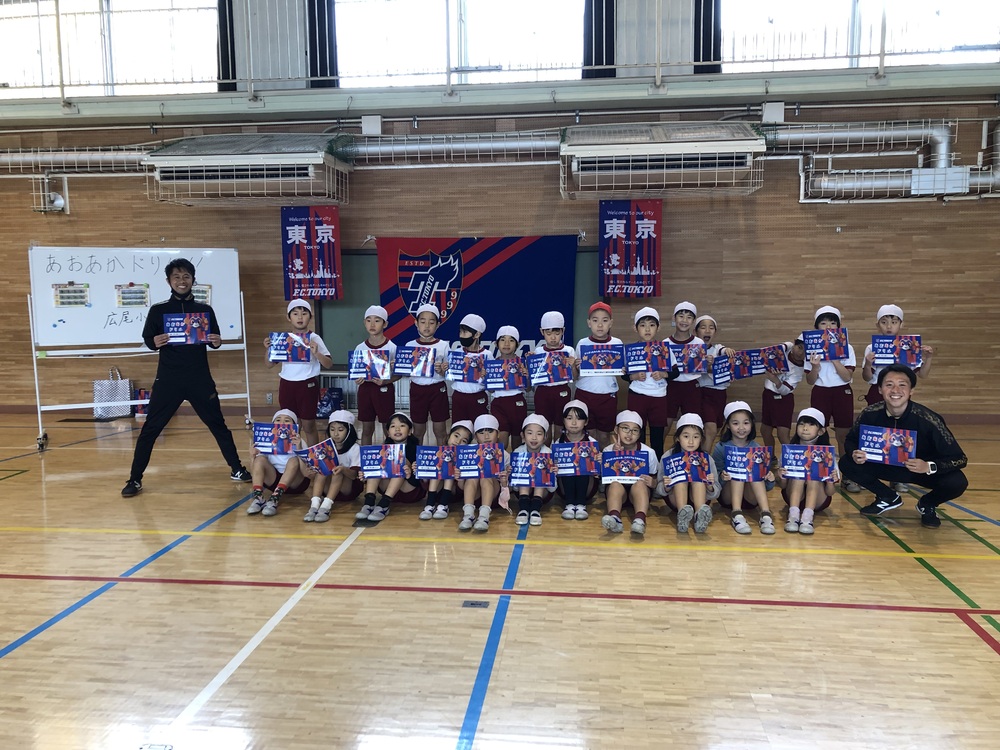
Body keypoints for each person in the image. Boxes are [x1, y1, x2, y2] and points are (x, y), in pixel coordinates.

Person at [121, 258, 250, 497]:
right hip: (168, 379)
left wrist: (217, 341)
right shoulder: (158, 310)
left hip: (199, 379)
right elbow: (148, 339)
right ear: (168, 281)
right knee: (151, 429)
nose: (182, 281)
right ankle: (134, 479)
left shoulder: (205, 310)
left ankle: (237, 468)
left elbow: (215, 339)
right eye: (177, 277)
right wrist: (154, 342)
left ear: (193, 279)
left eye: (186, 276)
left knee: (218, 425)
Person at [841, 365, 969, 528]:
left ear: (911, 391)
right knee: (846, 463)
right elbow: (850, 440)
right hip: (884, 466)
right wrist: (854, 453)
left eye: (902, 385)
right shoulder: (869, 413)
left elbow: (960, 458)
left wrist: (928, 466)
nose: (895, 390)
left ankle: (927, 504)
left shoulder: (929, 420)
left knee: (957, 482)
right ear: (880, 389)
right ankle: (888, 497)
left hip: (918, 471)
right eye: (889, 385)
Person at [804, 305, 859, 491]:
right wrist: (815, 367)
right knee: (817, 433)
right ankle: (818, 473)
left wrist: (834, 357)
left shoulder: (847, 348)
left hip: (842, 392)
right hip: (820, 392)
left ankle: (848, 476)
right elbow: (810, 381)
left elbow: (847, 377)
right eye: (823, 323)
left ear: (839, 327)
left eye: (833, 323)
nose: (828, 327)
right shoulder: (811, 348)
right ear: (817, 327)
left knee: (844, 435)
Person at [266, 299, 333, 449]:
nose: (300, 317)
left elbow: (328, 363)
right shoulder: (283, 339)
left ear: (310, 317)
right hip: (286, 384)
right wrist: (268, 349)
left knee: (309, 424)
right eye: (295, 314)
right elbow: (269, 364)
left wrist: (317, 353)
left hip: (307, 384)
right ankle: (291, 457)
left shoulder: (314, 338)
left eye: (304, 313)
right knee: (289, 423)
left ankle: (312, 457)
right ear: (289, 317)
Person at [712, 401, 776, 535]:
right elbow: (714, 481)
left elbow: (767, 487)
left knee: (755, 473)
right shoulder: (721, 447)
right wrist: (722, 477)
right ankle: (736, 515)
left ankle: (766, 515)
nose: (741, 427)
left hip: (750, 499)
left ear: (752, 424)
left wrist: (770, 479)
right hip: (728, 497)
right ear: (728, 425)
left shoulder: (757, 448)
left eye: (746, 423)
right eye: (736, 423)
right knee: (738, 471)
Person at [601, 410, 660, 536]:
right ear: (616, 430)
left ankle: (640, 520)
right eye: (625, 428)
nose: (629, 433)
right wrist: (612, 456)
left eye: (635, 430)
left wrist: (653, 483)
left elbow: (655, 478)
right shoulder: (608, 450)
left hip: (639, 493)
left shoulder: (648, 452)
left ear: (639, 434)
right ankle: (615, 517)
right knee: (615, 484)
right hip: (617, 493)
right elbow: (603, 478)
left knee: (640, 484)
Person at [861, 304, 935, 405]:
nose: (889, 326)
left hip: (901, 391)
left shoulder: (910, 346)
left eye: (894, 322)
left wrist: (929, 357)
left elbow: (922, 374)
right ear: (877, 325)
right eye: (884, 322)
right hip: (878, 391)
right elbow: (867, 378)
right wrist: (868, 364)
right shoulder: (871, 348)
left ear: (901, 324)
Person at [658, 413, 720, 534]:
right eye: (686, 436)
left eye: (696, 437)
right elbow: (658, 490)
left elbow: (716, 492)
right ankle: (682, 516)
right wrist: (665, 486)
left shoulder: (706, 458)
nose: (691, 441)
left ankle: (699, 516)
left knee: (698, 479)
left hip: (701, 499)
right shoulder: (668, 456)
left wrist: (710, 486)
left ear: (701, 439)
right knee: (680, 479)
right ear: (678, 438)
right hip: (675, 500)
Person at [356, 411, 422, 523]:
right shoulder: (382, 449)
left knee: (399, 463)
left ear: (410, 431)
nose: (397, 429)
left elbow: (422, 477)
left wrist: (410, 470)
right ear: (388, 433)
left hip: (409, 490)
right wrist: (365, 474)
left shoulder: (417, 449)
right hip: (387, 488)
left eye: (402, 426)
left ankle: (384, 505)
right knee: (377, 463)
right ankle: (369, 503)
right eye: (393, 426)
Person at [573, 301, 623, 446]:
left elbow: (622, 371)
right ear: (589, 323)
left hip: (608, 395)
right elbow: (575, 375)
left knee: (604, 436)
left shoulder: (617, 343)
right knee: (588, 435)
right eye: (595, 321)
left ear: (611, 323)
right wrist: (575, 366)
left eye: (604, 321)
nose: (600, 325)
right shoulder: (582, 343)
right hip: (584, 394)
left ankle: (603, 460)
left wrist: (624, 370)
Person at [780, 408, 837, 535]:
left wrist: (830, 481)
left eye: (811, 424)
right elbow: (783, 486)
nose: (805, 428)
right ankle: (793, 516)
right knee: (800, 475)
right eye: (801, 424)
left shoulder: (827, 454)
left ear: (821, 431)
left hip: (819, 501)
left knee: (812, 474)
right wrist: (782, 476)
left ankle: (807, 519)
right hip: (793, 498)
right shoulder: (790, 451)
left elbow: (830, 492)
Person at [247, 409, 310, 517]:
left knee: (293, 460)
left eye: (287, 420)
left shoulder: (300, 441)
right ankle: (259, 498)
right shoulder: (267, 440)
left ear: (294, 425)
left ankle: (274, 498)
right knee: (260, 459)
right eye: (278, 420)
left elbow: (306, 473)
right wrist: (252, 457)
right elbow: (255, 471)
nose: (282, 423)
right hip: (273, 481)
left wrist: (299, 449)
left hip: (296, 483)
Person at [303, 409, 362, 523]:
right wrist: (312, 470)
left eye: (340, 430)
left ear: (349, 430)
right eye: (332, 429)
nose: (335, 434)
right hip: (327, 488)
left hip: (348, 490)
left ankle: (325, 507)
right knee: (322, 471)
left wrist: (343, 469)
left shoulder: (355, 448)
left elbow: (354, 475)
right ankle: (314, 506)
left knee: (337, 472)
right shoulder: (324, 448)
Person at [625, 307, 670, 455]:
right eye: (643, 325)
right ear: (635, 328)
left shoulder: (664, 349)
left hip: (659, 397)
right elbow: (623, 374)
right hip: (637, 395)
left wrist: (664, 374)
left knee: (657, 435)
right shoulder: (630, 350)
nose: (647, 329)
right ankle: (640, 463)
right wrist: (634, 376)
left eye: (652, 325)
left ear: (658, 327)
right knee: (638, 433)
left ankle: (656, 466)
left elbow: (674, 372)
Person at [352, 304, 399, 446]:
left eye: (377, 320)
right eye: (369, 320)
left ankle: (390, 456)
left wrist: (386, 381)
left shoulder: (392, 347)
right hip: (365, 390)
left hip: (384, 390)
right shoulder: (360, 347)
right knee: (367, 429)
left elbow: (400, 374)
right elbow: (356, 372)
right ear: (364, 323)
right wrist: (357, 379)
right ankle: (365, 457)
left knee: (387, 427)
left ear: (385, 324)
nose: (372, 324)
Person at [405, 304, 451, 446]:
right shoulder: (409, 345)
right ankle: (416, 458)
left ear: (437, 325)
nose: (426, 326)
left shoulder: (443, 345)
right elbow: (405, 372)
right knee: (418, 430)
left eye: (431, 322)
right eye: (423, 321)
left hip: (438, 390)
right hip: (417, 390)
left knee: (440, 430)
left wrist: (442, 370)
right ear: (416, 323)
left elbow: (449, 372)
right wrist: (398, 366)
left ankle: (443, 457)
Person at [459, 414, 510, 533]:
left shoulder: (504, 455)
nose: (486, 436)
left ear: (498, 434)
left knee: (485, 476)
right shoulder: (470, 452)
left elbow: (507, 493)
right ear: (475, 436)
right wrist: (460, 477)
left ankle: (484, 517)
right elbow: (461, 486)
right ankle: (468, 515)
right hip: (474, 495)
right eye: (481, 433)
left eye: (490, 432)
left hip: (493, 496)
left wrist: (505, 481)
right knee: (474, 475)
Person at [760, 339, 806, 467]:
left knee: (782, 434)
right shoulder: (786, 347)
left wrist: (775, 379)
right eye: (799, 347)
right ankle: (770, 458)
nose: (801, 353)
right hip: (768, 395)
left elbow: (785, 391)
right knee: (765, 430)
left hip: (783, 400)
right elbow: (773, 351)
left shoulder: (799, 371)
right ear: (794, 344)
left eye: (805, 351)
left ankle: (793, 460)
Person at [532, 311, 576, 442]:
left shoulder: (569, 350)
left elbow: (575, 377)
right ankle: (545, 451)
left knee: (560, 425)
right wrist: (530, 362)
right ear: (542, 332)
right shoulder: (538, 351)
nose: (553, 337)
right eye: (549, 333)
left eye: (557, 333)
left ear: (563, 331)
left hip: (562, 390)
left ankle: (557, 449)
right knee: (543, 425)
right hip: (542, 392)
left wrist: (573, 365)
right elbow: (533, 377)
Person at [694, 314, 736, 451]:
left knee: (715, 428)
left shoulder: (717, 348)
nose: (707, 330)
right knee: (710, 429)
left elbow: (723, 351)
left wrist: (727, 351)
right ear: (696, 331)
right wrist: (706, 366)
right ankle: (704, 459)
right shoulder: (692, 350)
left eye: (711, 328)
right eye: (703, 327)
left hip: (720, 394)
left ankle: (702, 454)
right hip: (703, 393)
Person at [664, 301, 705, 435]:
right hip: (671, 386)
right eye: (681, 316)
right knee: (666, 421)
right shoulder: (665, 343)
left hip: (692, 387)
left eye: (689, 317)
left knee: (693, 423)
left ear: (693, 321)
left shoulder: (699, 343)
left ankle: (690, 448)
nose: (684, 320)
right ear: (674, 318)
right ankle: (660, 449)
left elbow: (702, 367)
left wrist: (708, 362)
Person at [418, 420, 473, 521]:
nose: (458, 441)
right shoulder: (437, 453)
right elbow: (425, 482)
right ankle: (429, 505)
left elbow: (462, 489)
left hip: (453, 494)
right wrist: (421, 470)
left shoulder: (465, 459)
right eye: (456, 436)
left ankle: (444, 505)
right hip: (435, 491)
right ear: (448, 436)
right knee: (440, 465)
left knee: (448, 465)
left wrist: (460, 478)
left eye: (464, 441)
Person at [554, 399, 599, 521]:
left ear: (586, 422)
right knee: (568, 469)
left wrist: (599, 463)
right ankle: (569, 505)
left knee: (582, 466)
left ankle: (581, 505)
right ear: (563, 421)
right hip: (564, 488)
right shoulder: (558, 444)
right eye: (569, 418)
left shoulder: (592, 443)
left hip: (587, 488)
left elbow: (598, 471)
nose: (574, 423)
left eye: (579, 419)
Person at [489, 325, 529, 451]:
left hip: (517, 403)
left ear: (518, 344)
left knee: (517, 439)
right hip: (498, 404)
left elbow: (528, 389)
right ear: (496, 344)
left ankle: (515, 462)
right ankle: (502, 462)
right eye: (502, 340)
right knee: (502, 441)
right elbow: (491, 390)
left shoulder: (522, 363)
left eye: (511, 340)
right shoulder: (493, 364)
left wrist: (526, 376)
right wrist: (487, 377)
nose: (506, 344)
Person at [449, 313, 492, 423]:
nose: (461, 335)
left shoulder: (487, 354)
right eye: (460, 332)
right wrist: (445, 369)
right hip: (458, 397)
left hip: (478, 397)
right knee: (458, 427)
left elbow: (492, 384)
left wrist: (486, 376)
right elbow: (449, 375)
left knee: (479, 428)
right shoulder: (456, 353)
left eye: (465, 332)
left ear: (477, 334)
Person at [513, 414, 554, 526]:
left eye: (539, 434)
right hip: (522, 493)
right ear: (522, 435)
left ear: (545, 437)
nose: (534, 437)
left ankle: (535, 510)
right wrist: (512, 473)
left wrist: (552, 473)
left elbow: (552, 488)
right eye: (530, 433)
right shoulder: (518, 453)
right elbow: (515, 487)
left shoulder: (548, 454)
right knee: (526, 476)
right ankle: (523, 510)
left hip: (544, 494)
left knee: (540, 476)